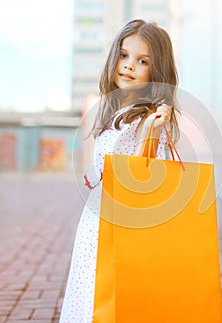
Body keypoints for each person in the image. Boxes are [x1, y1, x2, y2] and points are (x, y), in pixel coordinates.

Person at [59, 19, 180, 323]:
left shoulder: (146, 117)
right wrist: (93, 170)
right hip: (98, 221)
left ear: (157, 71)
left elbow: (143, 168)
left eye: (142, 61)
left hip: (122, 222)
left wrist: (154, 126)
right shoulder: (117, 112)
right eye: (124, 56)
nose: (128, 66)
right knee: (92, 291)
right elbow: (107, 162)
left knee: (113, 294)